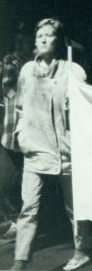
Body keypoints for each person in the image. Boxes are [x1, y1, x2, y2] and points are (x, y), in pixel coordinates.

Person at [11, 19, 91, 271]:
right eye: (40, 36)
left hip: (66, 150)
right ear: (35, 41)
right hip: (35, 149)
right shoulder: (26, 71)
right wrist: (22, 136)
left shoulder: (72, 70)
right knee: (29, 208)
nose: (44, 39)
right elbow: (20, 108)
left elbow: (87, 107)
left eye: (50, 35)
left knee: (75, 206)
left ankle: (81, 250)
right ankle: (20, 261)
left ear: (59, 41)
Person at [0, 54, 23, 240]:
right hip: (8, 140)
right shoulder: (5, 87)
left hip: (25, 138)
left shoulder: (18, 82)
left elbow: (9, 74)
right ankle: (18, 221)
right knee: (6, 181)